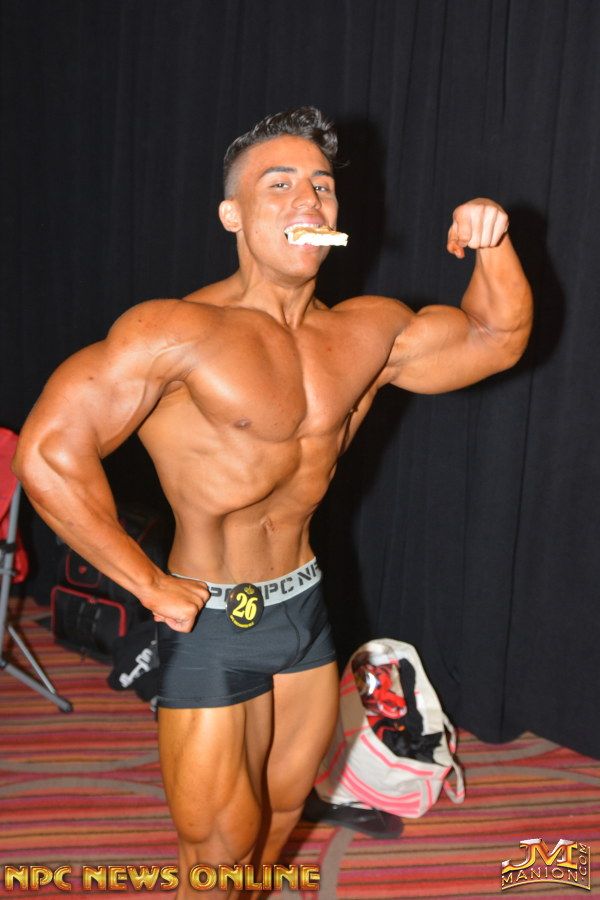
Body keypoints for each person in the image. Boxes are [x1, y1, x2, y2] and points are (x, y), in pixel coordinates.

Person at [14, 107, 533, 898]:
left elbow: (495, 338)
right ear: (232, 215)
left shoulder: (367, 331)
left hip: (304, 609)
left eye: (321, 186)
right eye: (279, 185)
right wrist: (147, 584)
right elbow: (50, 452)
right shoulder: (176, 332)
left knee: (282, 814)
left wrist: (492, 244)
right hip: (210, 616)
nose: (307, 201)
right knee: (215, 853)